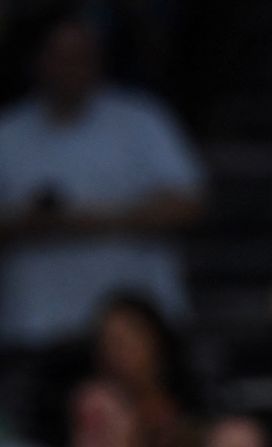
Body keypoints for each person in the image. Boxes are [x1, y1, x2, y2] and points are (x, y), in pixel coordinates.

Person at [0, 14, 204, 349]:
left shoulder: (141, 120)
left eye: (81, 56)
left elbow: (189, 204)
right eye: (60, 56)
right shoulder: (8, 133)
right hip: (36, 323)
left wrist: (95, 220)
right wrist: (30, 222)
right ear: (38, 60)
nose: (71, 67)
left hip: (135, 329)